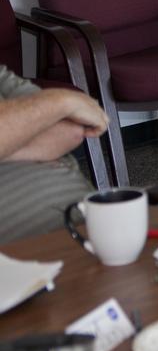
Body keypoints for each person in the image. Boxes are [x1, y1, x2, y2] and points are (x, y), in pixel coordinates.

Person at [0, 66, 107, 244]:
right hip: (20, 250)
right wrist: (62, 102)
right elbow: (62, 105)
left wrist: (7, 142)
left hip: (86, 224)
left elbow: (71, 128)